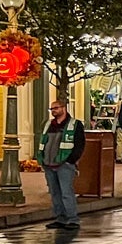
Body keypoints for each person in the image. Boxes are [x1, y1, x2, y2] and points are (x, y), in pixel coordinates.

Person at [40, 97, 85, 229]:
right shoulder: (48, 124)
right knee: (55, 193)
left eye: (56, 108)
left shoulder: (75, 124)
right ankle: (60, 218)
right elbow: (43, 141)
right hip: (49, 163)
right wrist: (42, 159)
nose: (53, 111)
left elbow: (80, 144)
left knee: (66, 192)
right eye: (51, 109)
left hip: (65, 164)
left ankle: (73, 219)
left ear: (64, 108)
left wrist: (71, 160)